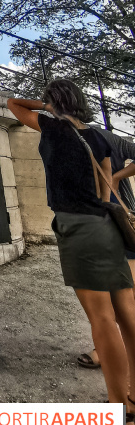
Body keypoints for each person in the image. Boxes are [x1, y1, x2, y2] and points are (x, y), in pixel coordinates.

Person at [8, 81, 135, 425]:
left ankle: (121, 409)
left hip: (78, 230)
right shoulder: (98, 137)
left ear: (54, 103)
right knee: (127, 316)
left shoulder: (51, 128)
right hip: (105, 226)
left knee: (102, 320)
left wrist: (47, 106)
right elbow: (105, 192)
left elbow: (13, 104)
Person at [78, 129, 135, 369]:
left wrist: (116, 177)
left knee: (122, 293)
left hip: (120, 219)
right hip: (98, 220)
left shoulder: (102, 136)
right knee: (112, 293)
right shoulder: (73, 136)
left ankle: (110, 352)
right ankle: (106, 348)